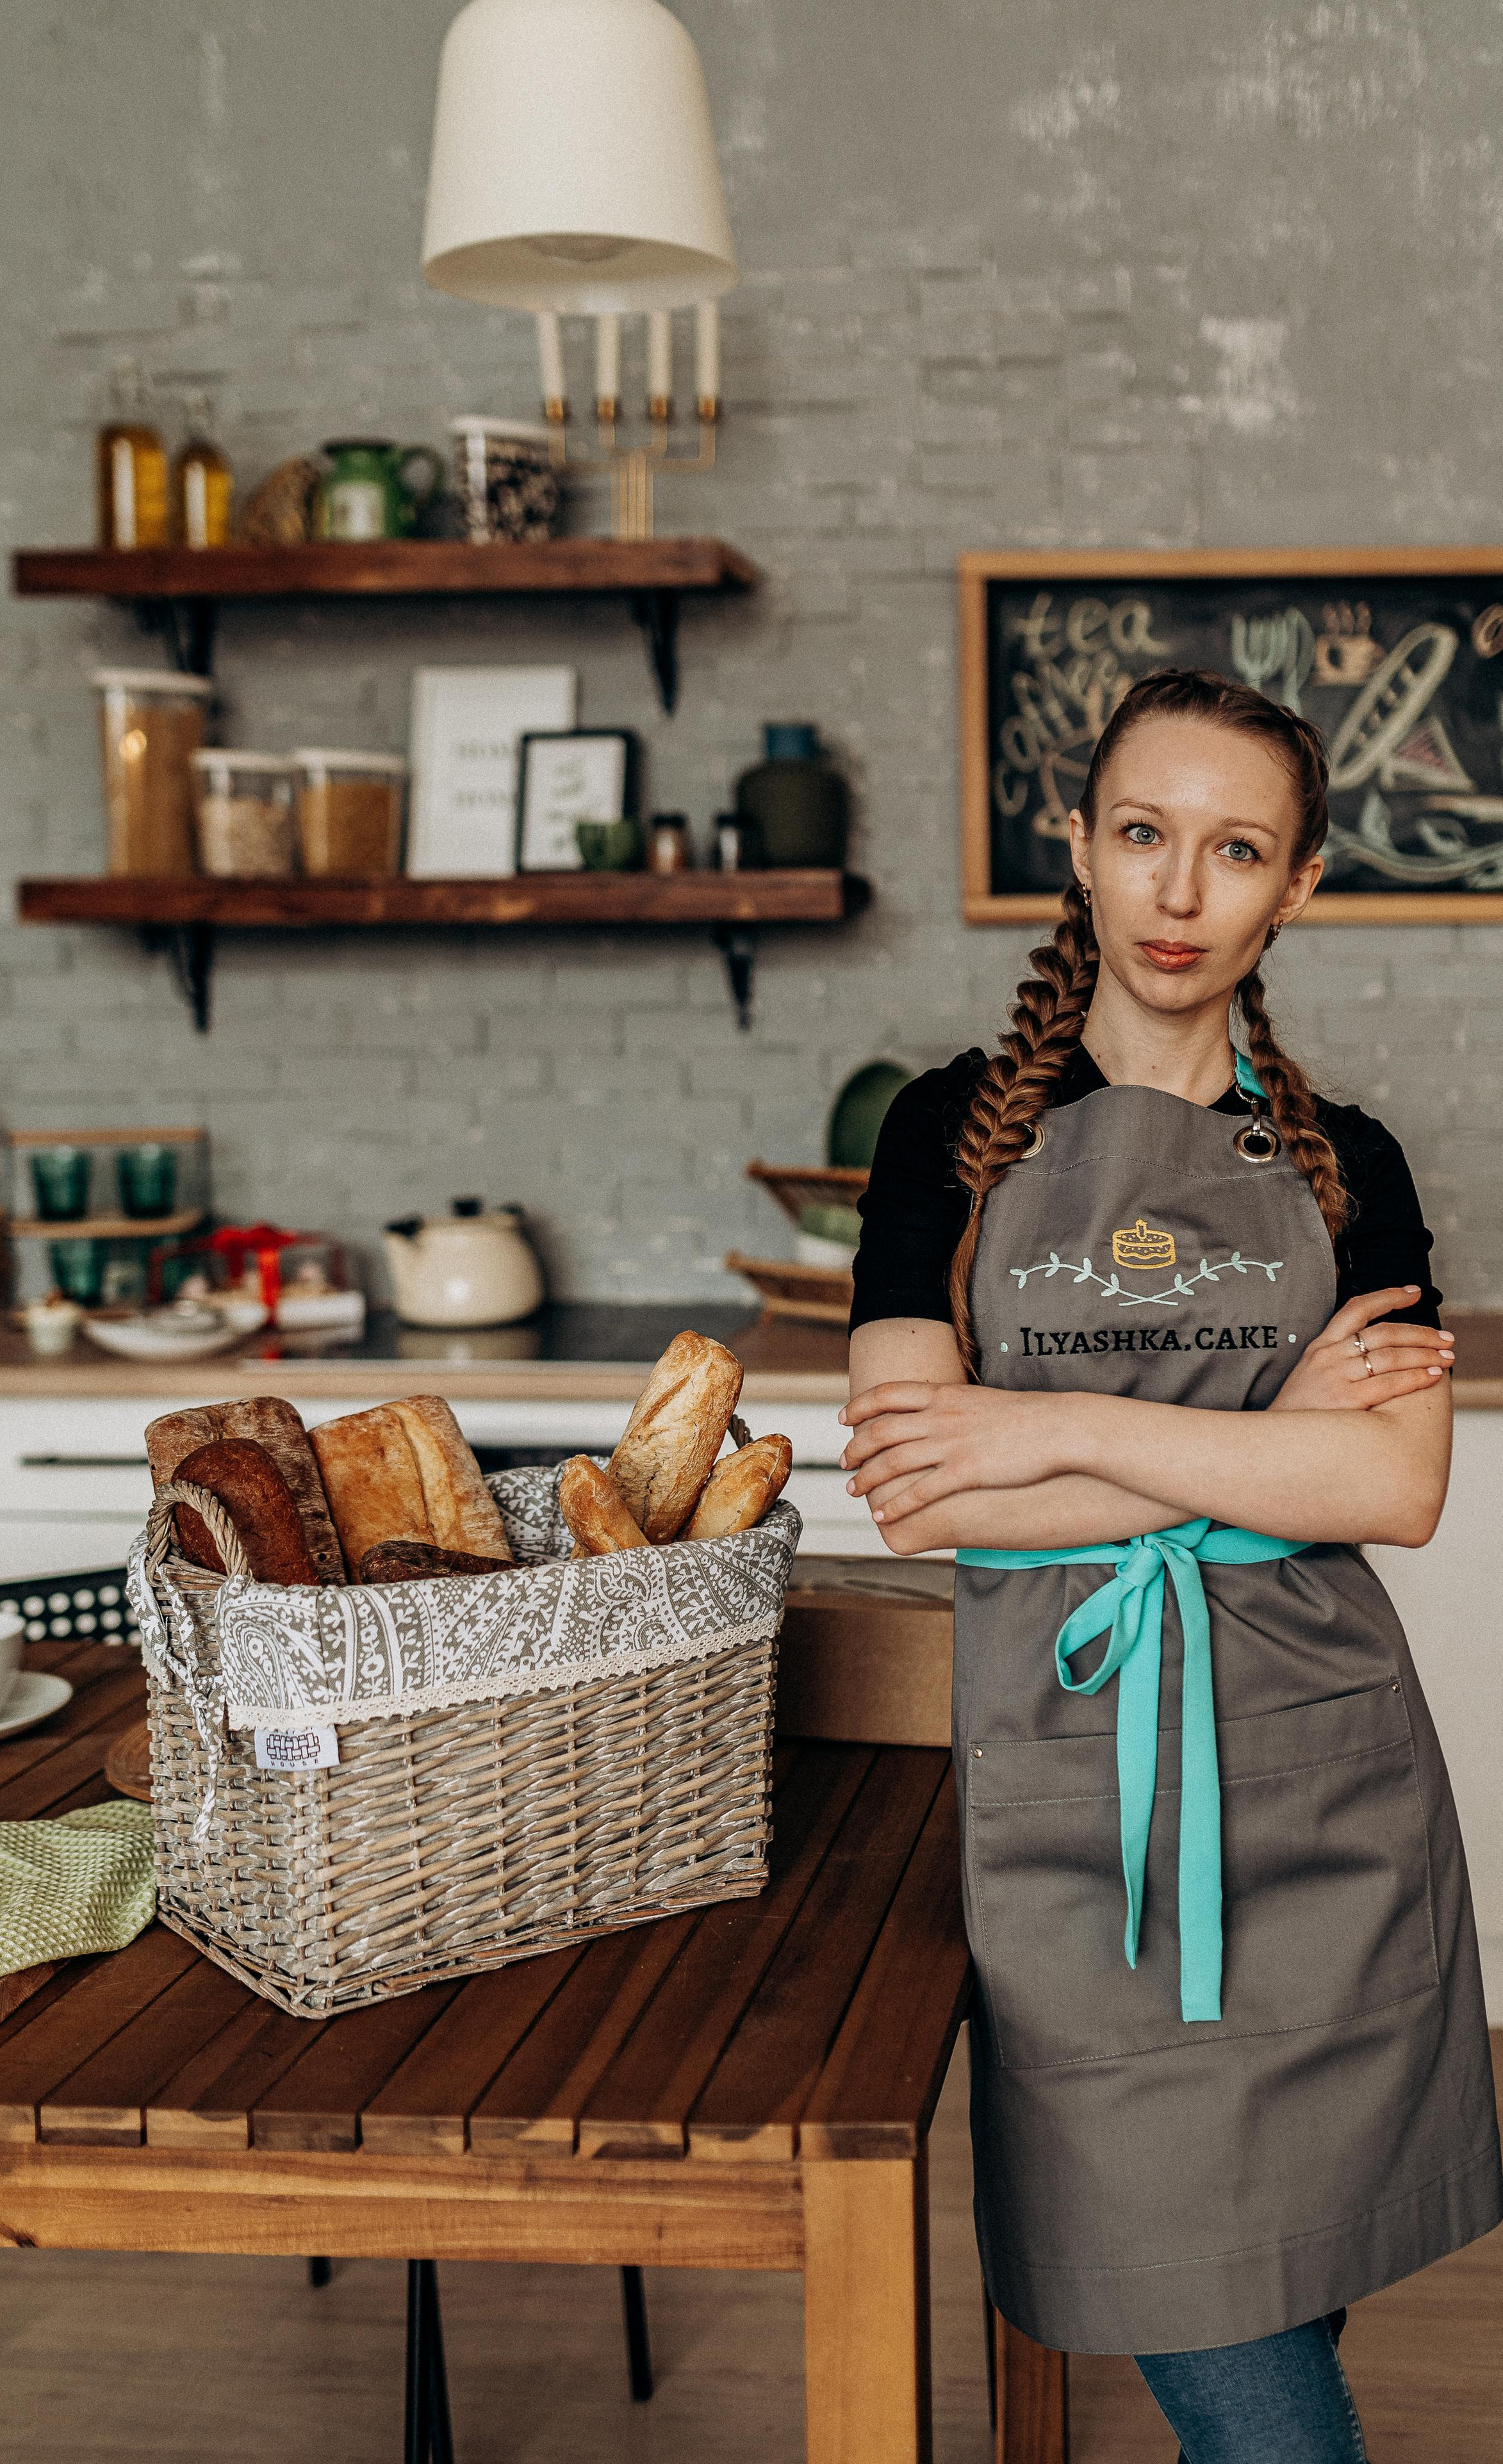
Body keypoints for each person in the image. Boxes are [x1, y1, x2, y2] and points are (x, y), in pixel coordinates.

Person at [842, 669, 1502, 2462]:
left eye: (1237, 851)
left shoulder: (1350, 1164)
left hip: (1332, 1799)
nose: (1180, 892)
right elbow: (921, 1485)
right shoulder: (947, 1133)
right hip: (1082, 1822)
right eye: (1143, 834)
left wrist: (1050, 1426)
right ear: (1079, 844)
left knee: (1284, 2288)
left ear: (1298, 885)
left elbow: (1398, 1487)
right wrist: (1265, 1441)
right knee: (1258, 2400)